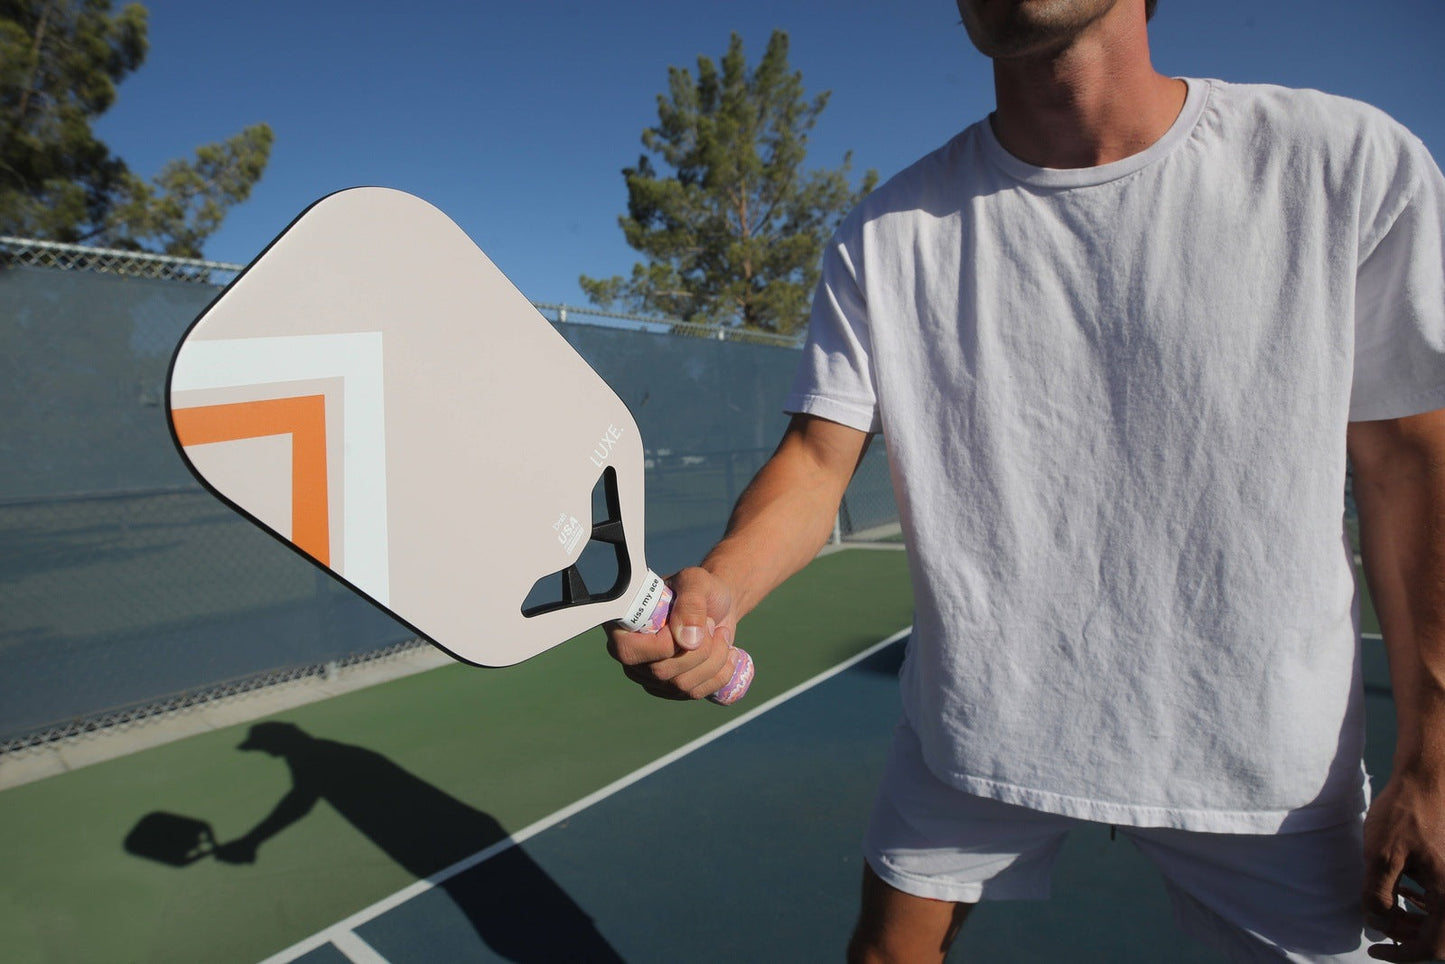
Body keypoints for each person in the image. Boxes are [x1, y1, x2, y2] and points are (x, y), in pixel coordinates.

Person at [606, 1, 1445, 960]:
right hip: (974, 729)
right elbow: (813, 463)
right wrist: (720, 585)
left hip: (1264, 757)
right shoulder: (883, 234)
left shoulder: (1346, 165)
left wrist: (1436, 750)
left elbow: (1413, 466)